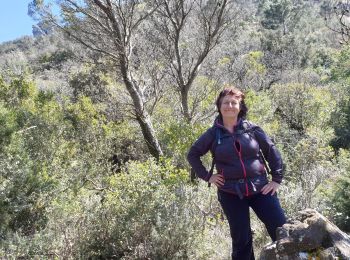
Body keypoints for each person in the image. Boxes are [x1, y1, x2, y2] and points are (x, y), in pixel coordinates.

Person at [187, 87, 286, 260]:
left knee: (281, 229)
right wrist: (208, 176)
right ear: (219, 106)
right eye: (226, 102)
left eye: (234, 102)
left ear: (240, 107)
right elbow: (193, 154)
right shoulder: (212, 134)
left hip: (261, 189)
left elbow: (272, 151)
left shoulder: (253, 130)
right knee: (241, 239)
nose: (230, 106)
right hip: (231, 192)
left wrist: (276, 179)